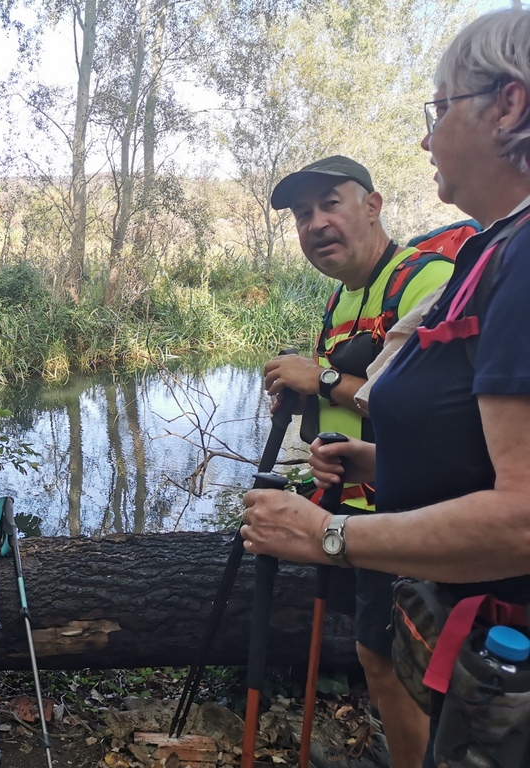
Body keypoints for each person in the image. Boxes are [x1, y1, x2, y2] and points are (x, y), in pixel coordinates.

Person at [241, 9, 530, 768]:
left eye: (438, 109)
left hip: (482, 606)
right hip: (435, 573)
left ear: (510, 104)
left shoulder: (494, 264)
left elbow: (525, 511)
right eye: (301, 215)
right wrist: (372, 458)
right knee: (390, 668)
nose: (426, 138)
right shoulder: (489, 252)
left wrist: (325, 535)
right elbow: (465, 436)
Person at [263, 156, 452, 768]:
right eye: (301, 214)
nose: (316, 223)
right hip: (353, 510)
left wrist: (316, 375)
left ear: (372, 206)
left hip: (418, 513)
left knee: (402, 658)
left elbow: (427, 414)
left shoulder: (424, 281)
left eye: (330, 204)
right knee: (379, 653)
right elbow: (348, 399)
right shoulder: (338, 302)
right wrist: (302, 394)